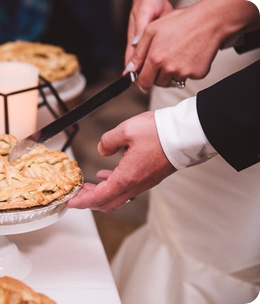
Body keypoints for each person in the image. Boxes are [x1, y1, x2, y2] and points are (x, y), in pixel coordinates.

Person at [67, 0, 260, 303]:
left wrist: (181, 135)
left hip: (246, 109)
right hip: (180, 41)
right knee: (172, 225)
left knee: (213, 251)